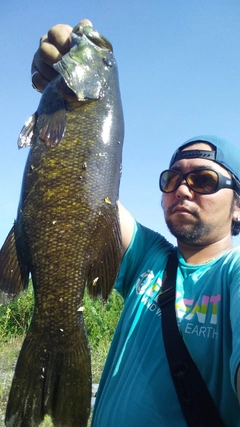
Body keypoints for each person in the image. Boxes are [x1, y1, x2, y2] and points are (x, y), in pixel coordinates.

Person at [31, 20, 240, 427]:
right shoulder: (150, 258)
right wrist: (63, 96)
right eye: (172, 178)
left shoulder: (234, 275)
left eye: (204, 179)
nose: (183, 188)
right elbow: (79, 192)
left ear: (239, 208)